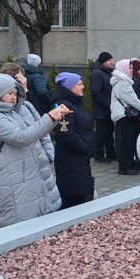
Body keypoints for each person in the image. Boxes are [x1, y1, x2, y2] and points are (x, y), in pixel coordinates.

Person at [0, 73, 70, 227]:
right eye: (9, 93)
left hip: (22, 175)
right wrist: (50, 118)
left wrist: (53, 119)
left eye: (15, 93)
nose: (14, 97)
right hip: (11, 178)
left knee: (30, 221)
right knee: (16, 222)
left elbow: (33, 132)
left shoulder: (8, 113)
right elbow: (23, 137)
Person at [0, 63, 62, 223]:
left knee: (45, 206)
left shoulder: (26, 104)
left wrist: (48, 152)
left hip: (39, 161)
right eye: (19, 79)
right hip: (24, 167)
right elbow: (24, 135)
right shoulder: (3, 110)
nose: (23, 82)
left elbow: (41, 130)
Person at [51, 72, 95, 209]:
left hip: (80, 160)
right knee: (74, 199)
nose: (83, 87)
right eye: (79, 84)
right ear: (69, 87)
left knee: (83, 196)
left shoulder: (75, 103)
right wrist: (85, 147)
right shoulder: (64, 106)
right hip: (70, 161)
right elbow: (66, 133)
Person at [110, 58, 140, 175]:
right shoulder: (123, 82)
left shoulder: (123, 81)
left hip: (124, 115)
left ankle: (129, 163)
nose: (131, 70)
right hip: (124, 116)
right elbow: (132, 100)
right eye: (129, 67)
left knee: (129, 141)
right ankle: (124, 167)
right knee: (126, 142)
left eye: (131, 67)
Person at [90, 51, 116, 162]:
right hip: (102, 110)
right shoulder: (97, 73)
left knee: (109, 132)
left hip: (108, 109)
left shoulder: (107, 72)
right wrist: (107, 104)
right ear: (104, 61)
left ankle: (111, 153)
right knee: (101, 133)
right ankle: (98, 154)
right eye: (109, 60)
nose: (112, 62)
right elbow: (96, 92)